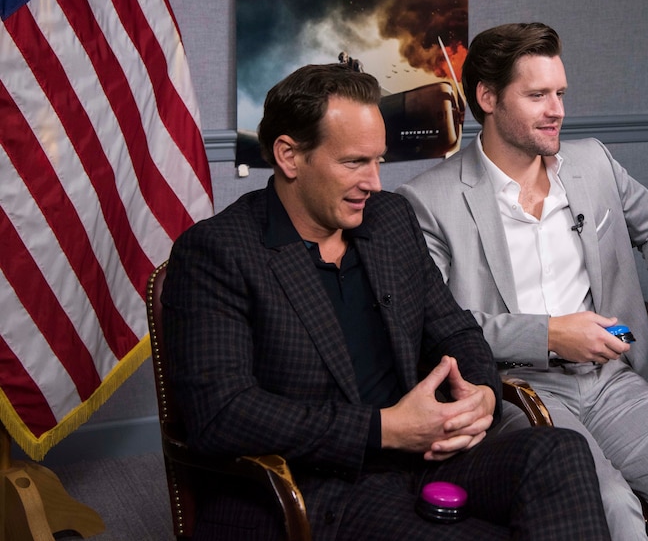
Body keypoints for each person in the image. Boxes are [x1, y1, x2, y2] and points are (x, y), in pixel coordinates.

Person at [162, 63, 611, 541]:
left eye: (378, 161)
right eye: (355, 162)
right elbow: (223, 413)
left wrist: (480, 394)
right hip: (315, 488)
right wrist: (385, 429)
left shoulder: (390, 219)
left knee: (560, 452)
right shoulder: (217, 252)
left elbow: (456, 330)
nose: (374, 183)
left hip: (427, 459)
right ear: (290, 156)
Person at [397, 23, 648, 541]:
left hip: (614, 377)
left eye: (560, 93)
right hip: (520, 389)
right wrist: (551, 334)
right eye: (537, 95)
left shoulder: (594, 162)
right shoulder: (429, 200)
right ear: (488, 97)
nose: (556, 108)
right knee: (610, 507)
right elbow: (438, 326)